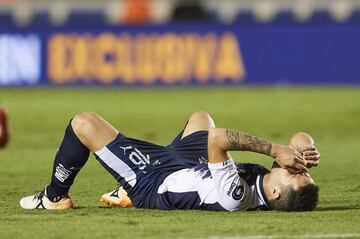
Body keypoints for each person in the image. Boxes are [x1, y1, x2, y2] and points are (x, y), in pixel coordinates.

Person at [20, 111, 320, 211]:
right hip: (190, 167)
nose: (296, 168)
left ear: (277, 192)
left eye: (296, 174)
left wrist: (272, 149)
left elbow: (217, 139)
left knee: (83, 123)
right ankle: (121, 192)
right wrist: (307, 151)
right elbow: (298, 140)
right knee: (200, 117)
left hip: (155, 180)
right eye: (304, 171)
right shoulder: (270, 183)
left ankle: (54, 197)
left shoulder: (237, 197)